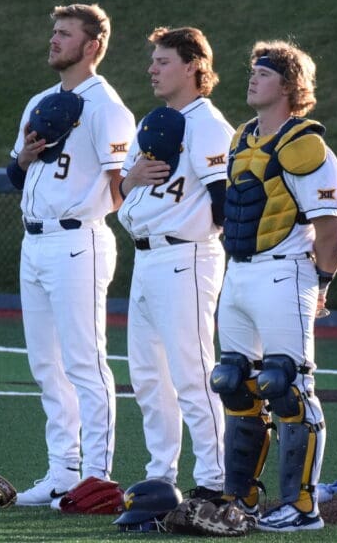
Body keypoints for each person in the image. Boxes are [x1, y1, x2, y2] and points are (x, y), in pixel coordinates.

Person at [210, 40, 337, 533]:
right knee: (233, 382)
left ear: (289, 87)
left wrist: (322, 285)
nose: (252, 79)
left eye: (263, 74)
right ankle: (239, 498)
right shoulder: (242, 136)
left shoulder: (305, 146)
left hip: (285, 271)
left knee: (288, 387)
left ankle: (302, 506)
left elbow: (330, 230)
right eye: (253, 71)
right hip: (239, 272)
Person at [5, 3, 135, 505]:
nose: (54, 40)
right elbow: (15, 175)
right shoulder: (40, 100)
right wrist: (23, 157)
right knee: (46, 365)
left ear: (93, 46)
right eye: (54, 31)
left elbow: (120, 187)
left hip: (79, 239)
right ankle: (62, 471)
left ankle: (96, 478)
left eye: (65, 34)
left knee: (85, 362)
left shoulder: (108, 108)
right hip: (34, 241)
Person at [116, 26, 231, 500]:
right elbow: (123, 190)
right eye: (154, 61)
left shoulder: (207, 123)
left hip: (187, 255)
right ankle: (161, 474)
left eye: (163, 61)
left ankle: (214, 479)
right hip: (146, 259)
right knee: (147, 376)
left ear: (193, 67)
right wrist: (132, 179)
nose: (152, 69)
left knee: (192, 372)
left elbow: (225, 199)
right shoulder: (157, 120)